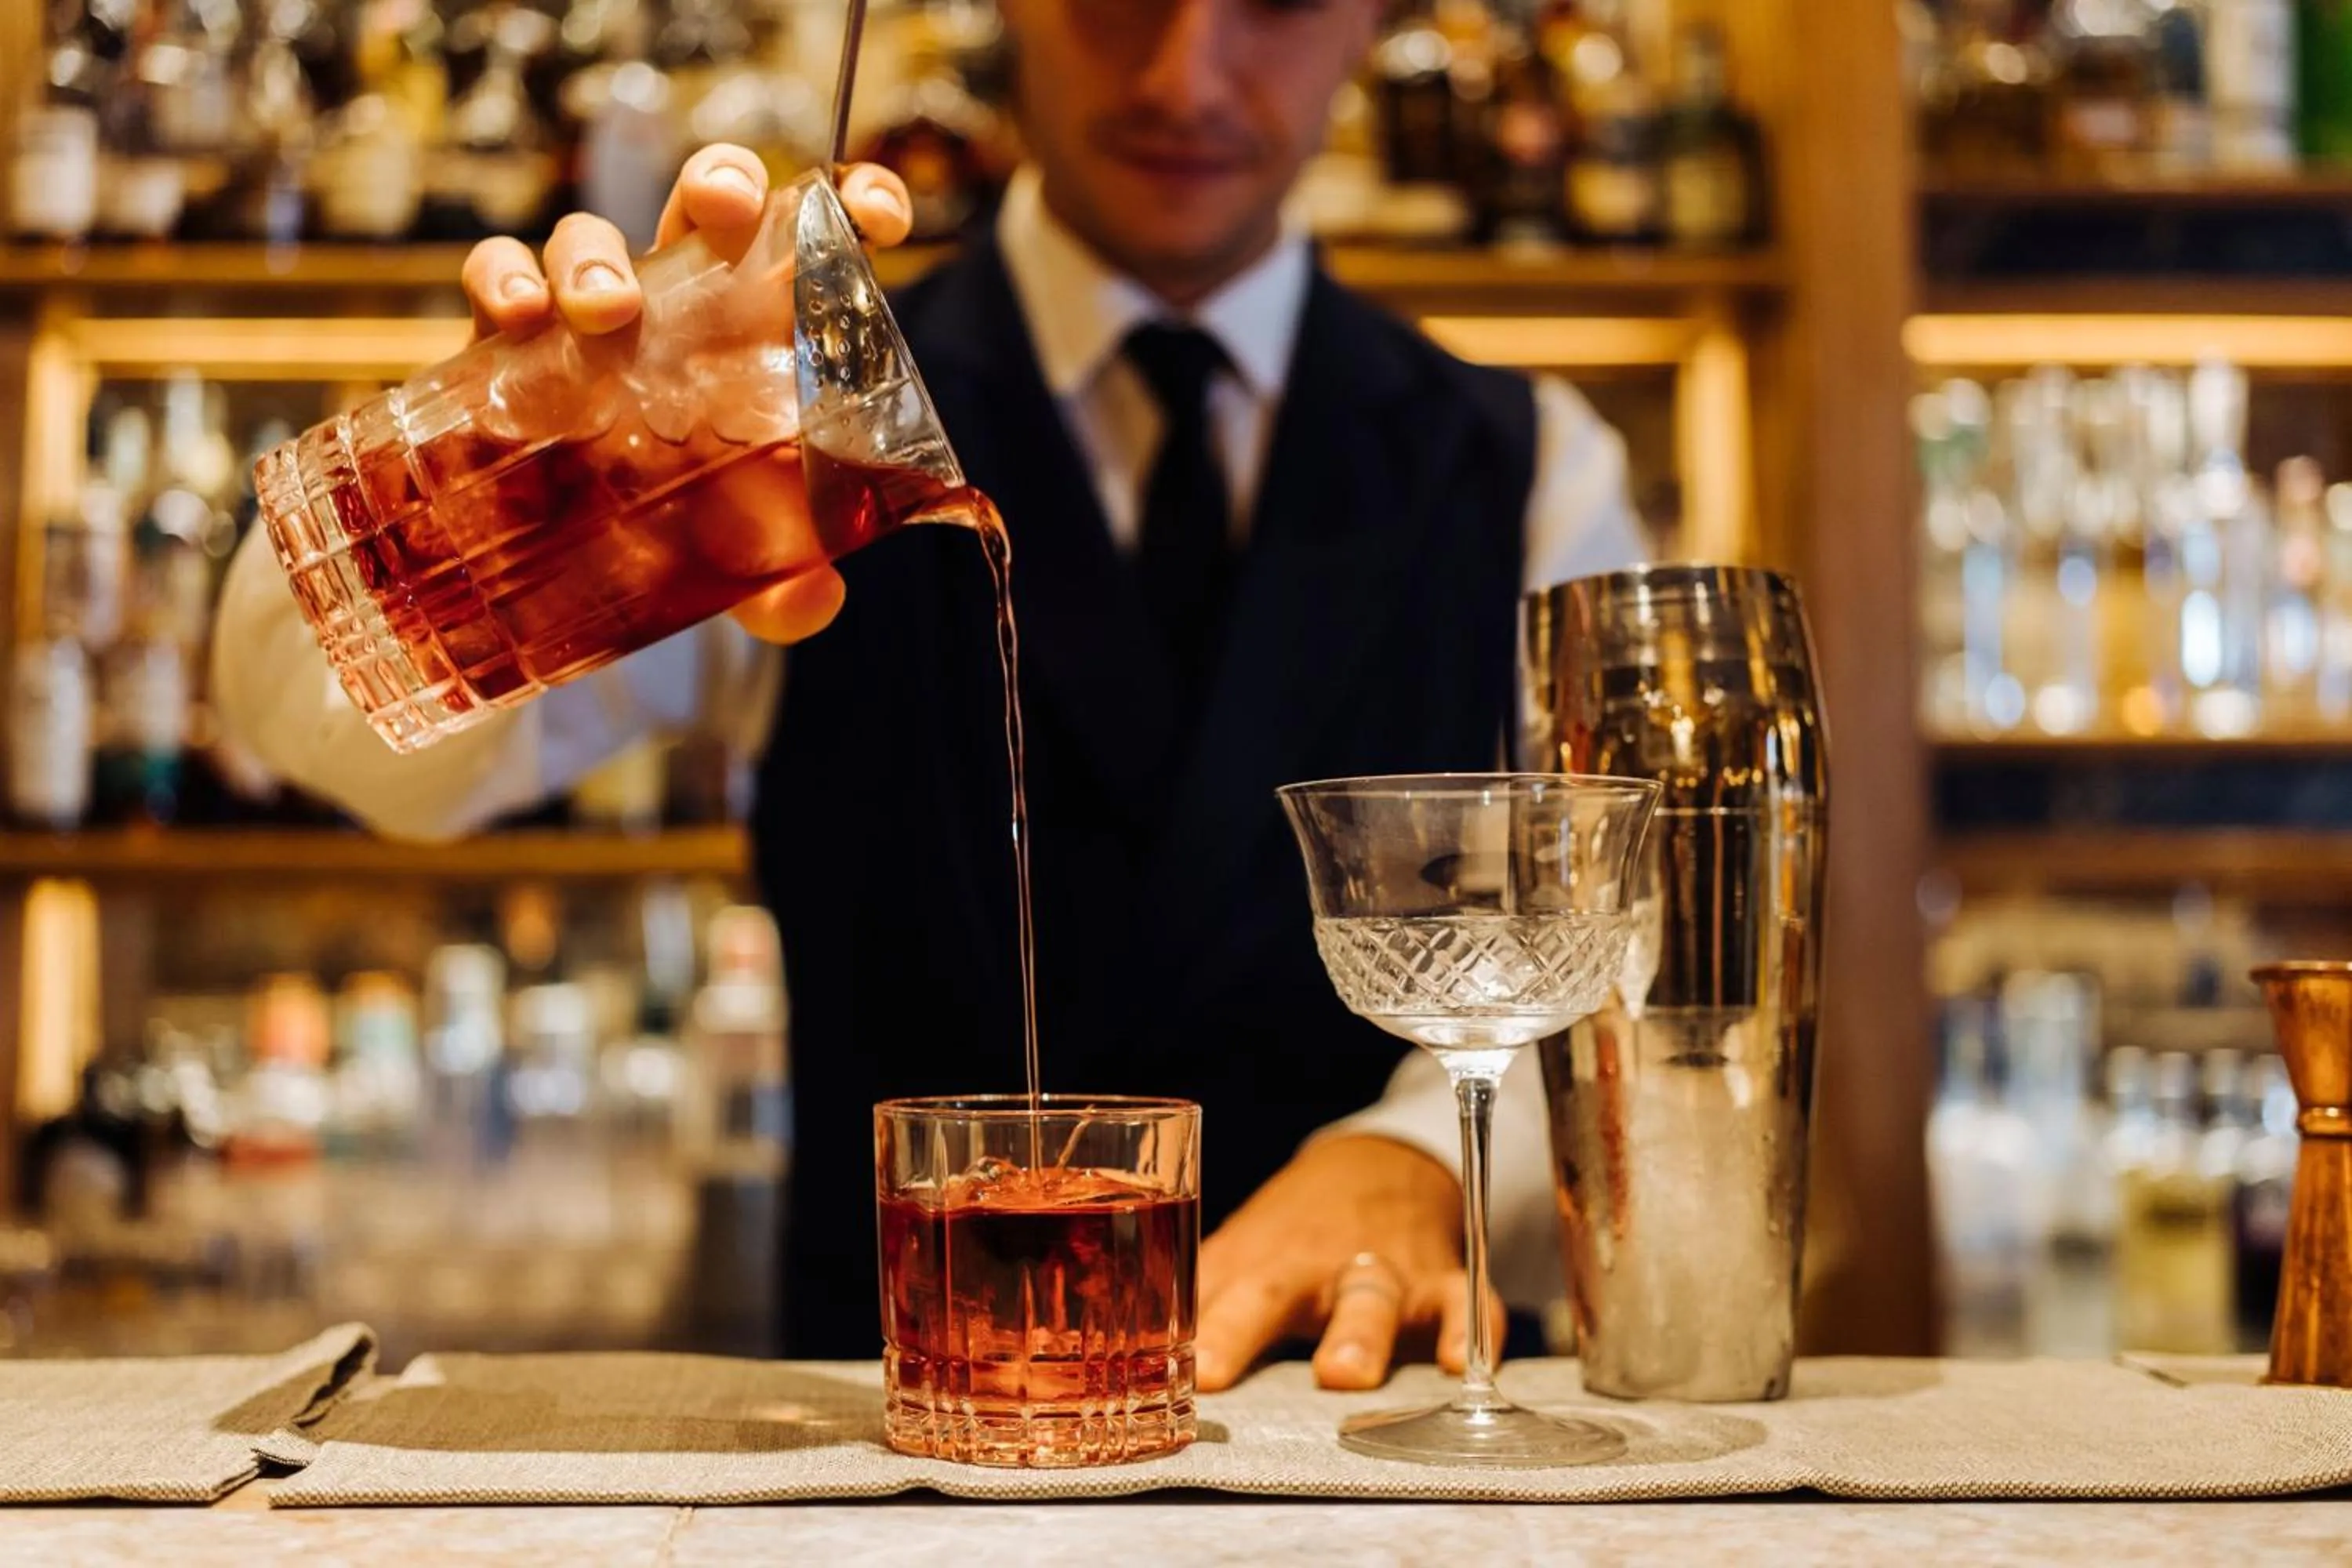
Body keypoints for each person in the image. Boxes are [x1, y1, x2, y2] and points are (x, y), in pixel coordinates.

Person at [211, 0, 1645, 1388]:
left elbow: (1629, 953)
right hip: (889, 1442)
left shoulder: (1533, 469)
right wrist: (518, 451)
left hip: (1374, 1437)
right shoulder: (775, 407)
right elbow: (320, 735)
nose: (1187, 72)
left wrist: (1417, 1161)